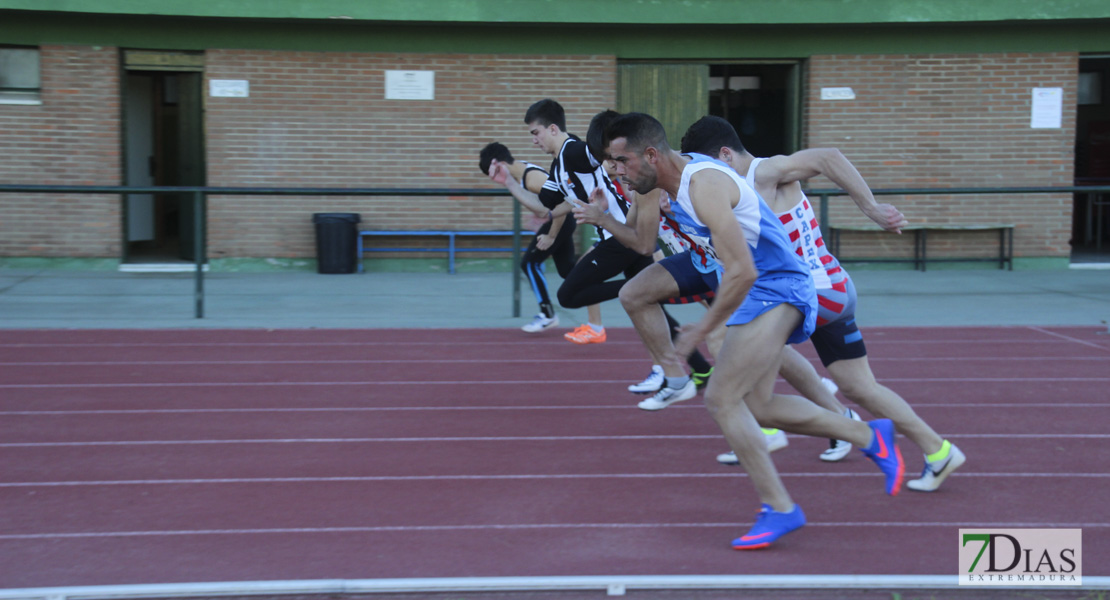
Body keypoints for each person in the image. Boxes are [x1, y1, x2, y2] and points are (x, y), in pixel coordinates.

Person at [602, 112, 904, 550]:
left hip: (777, 285)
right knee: (758, 407)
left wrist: (700, 329)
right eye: (612, 164)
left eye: (622, 161)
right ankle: (867, 435)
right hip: (756, 289)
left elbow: (742, 268)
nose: (618, 172)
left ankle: (780, 508)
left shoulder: (701, 185)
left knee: (721, 398)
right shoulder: (676, 180)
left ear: (651, 154)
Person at [680, 115, 965, 492]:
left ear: (726, 155)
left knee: (745, 364)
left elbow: (828, 156)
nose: (704, 177)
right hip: (834, 290)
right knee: (860, 386)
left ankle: (817, 427)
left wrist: (872, 209)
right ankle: (938, 449)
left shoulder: (765, 172)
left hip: (807, 294)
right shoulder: (737, 185)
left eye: (706, 166)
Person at [480, 142, 578, 333]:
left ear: (498, 164)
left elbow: (564, 202)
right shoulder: (521, 171)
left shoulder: (531, 178)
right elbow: (548, 202)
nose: (494, 180)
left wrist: (551, 235)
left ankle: (548, 314)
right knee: (568, 270)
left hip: (562, 220)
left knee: (530, 263)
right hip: (560, 219)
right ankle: (604, 278)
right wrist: (540, 219)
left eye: (492, 174)